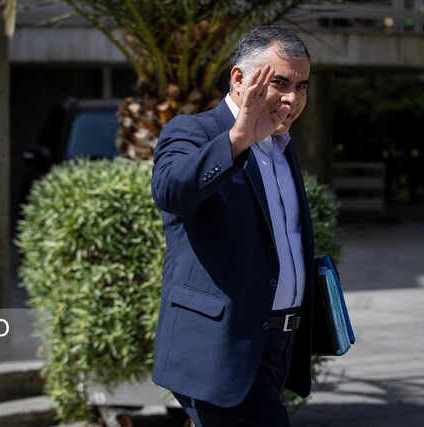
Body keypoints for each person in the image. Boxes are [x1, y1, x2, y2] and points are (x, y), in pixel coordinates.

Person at [151, 25, 315, 426]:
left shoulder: (282, 145)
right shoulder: (193, 130)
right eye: (280, 83)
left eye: (302, 86)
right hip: (219, 349)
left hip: (278, 345)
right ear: (239, 79)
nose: (292, 99)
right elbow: (171, 193)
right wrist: (237, 140)